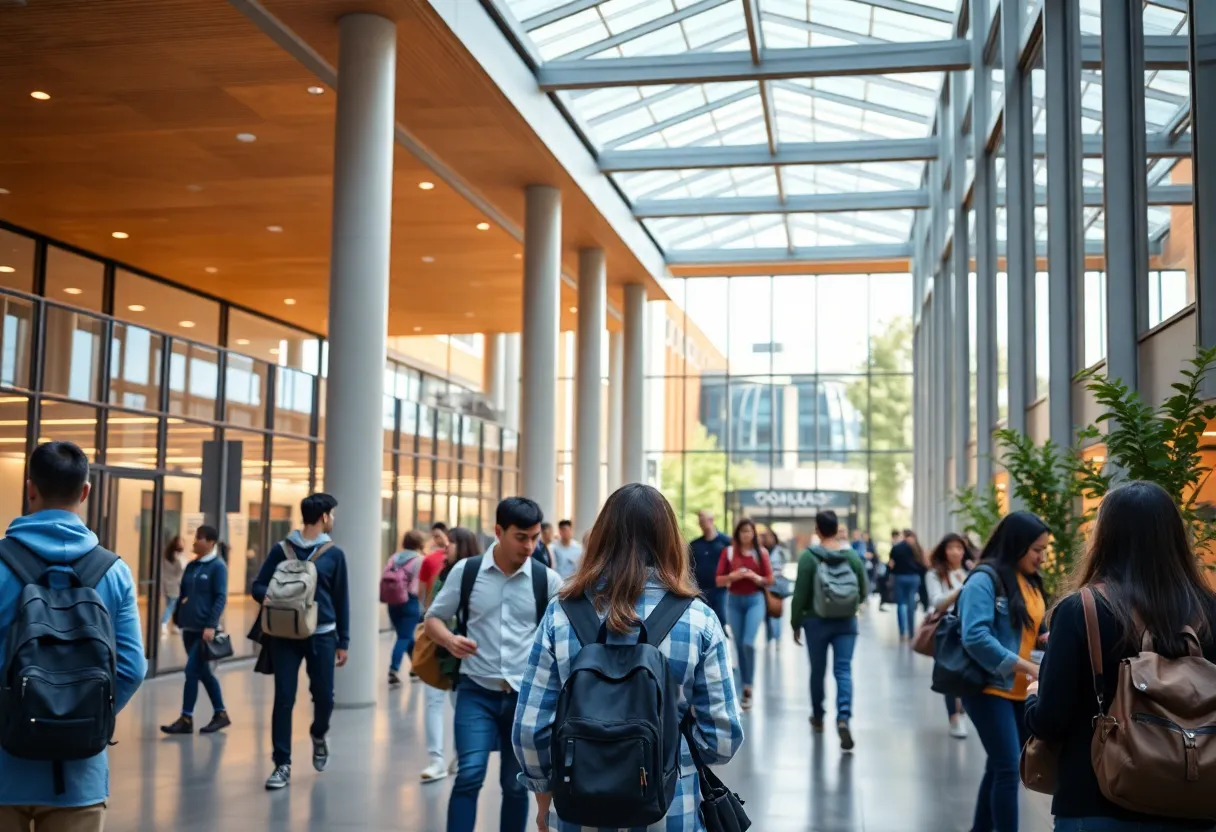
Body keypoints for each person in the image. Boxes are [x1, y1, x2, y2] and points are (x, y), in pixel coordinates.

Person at [513, 483, 745, 832]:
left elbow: (530, 730)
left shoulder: (560, 614)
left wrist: (544, 801)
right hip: (670, 814)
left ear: (602, 537)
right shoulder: (699, 620)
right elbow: (723, 739)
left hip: (578, 811)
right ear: (670, 541)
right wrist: (666, 745)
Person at [1026, 482, 1216, 831]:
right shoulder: (1208, 610)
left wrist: (1033, 696)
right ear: (1174, 535)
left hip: (1096, 803)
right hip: (1197, 799)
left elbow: (1050, 722)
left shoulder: (1081, 610)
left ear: (1105, 536)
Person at [0, 442, 145, 832]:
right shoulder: (113, 572)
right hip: (79, 774)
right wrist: (81, 714)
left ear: (30, 488)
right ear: (85, 492)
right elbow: (132, 668)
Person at [423, 498, 562, 832]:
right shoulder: (467, 572)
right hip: (476, 691)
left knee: (516, 784)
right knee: (469, 774)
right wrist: (449, 640)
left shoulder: (548, 581)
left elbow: (564, 636)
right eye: (521, 537)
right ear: (498, 532)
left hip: (523, 699)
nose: (530, 545)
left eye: (535, 537)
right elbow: (433, 619)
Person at [252, 493, 351, 791]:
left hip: (322, 634)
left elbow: (341, 598)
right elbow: (258, 584)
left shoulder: (334, 554)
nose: (333, 520)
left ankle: (319, 734)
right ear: (323, 517)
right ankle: (282, 763)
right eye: (332, 515)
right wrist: (264, 595)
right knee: (284, 698)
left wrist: (343, 640)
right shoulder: (281, 550)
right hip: (284, 634)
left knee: (325, 697)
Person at [957, 511, 1049, 832]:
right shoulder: (984, 579)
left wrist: (1046, 637)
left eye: (1044, 550)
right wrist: (1026, 666)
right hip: (987, 688)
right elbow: (975, 636)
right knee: (1009, 769)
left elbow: (1030, 629)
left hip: (1021, 690)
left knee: (999, 768)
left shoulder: (1030, 581)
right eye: (1037, 550)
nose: (1042, 557)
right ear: (1017, 545)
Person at [790, 510, 868, 750]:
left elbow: (800, 594)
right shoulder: (852, 556)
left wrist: (796, 623)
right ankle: (843, 718)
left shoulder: (808, 557)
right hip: (846, 622)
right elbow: (863, 590)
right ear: (837, 528)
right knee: (843, 670)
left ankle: (818, 717)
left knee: (818, 671)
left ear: (817, 530)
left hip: (816, 622)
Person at [419, 525, 482, 783]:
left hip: (464, 652)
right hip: (439, 649)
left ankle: (459, 755)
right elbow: (431, 609)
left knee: (461, 706)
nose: (445, 546)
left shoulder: (477, 574)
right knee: (433, 702)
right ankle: (436, 759)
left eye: (451, 542)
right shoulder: (444, 571)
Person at [161, 525, 231, 736]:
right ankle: (221, 714)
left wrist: (211, 624)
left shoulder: (218, 567)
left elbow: (220, 597)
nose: (194, 541)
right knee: (203, 673)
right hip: (189, 628)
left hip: (204, 631)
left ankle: (186, 718)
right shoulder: (192, 566)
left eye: (199, 538)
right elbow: (183, 592)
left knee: (192, 671)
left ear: (210, 542)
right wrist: (178, 615)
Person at [716, 517, 773, 710]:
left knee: (749, 642)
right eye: (743, 531)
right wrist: (733, 576)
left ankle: (749, 683)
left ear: (753, 534)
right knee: (739, 644)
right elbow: (718, 580)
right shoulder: (729, 552)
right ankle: (744, 688)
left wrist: (755, 577)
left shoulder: (760, 553)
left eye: (749, 531)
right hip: (733, 601)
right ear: (737, 534)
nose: (746, 535)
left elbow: (770, 579)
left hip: (755, 600)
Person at [925, 532, 973, 739]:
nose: (956, 552)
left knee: (967, 672)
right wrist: (962, 588)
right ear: (944, 550)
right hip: (946, 630)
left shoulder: (971, 571)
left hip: (969, 627)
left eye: (960, 548)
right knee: (949, 671)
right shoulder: (935, 574)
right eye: (951, 547)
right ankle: (953, 717)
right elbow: (937, 602)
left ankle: (962, 710)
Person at [386, 530, 426, 686]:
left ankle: (415, 668)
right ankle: (393, 670)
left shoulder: (394, 557)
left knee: (405, 635)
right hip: (410, 601)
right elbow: (421, 584)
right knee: (404, 637)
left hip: (392, 601)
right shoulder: (420, 560)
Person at [690, 510, 731, 629]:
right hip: (700, 590)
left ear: (711, 520)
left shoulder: (726, 542)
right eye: (700, 521)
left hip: (721, 590)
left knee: (720, 621)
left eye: (704, 520)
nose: (702, 524)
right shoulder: (695, 544)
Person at [889, 528, 925, 641]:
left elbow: (891, 564)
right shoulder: (917, 548)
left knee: (901, 604)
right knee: (911, 603)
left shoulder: (897, 548)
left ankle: (902, 632)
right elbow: (923, 563)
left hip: (900, 577)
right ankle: (911, 632)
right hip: (914, 577)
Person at [763, 530, 788, 645]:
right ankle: (769, 637)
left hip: (777, 586)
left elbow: (783, 567)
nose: (767, 539)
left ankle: (777, 637)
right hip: (764, 586)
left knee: (776, 611)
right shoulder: (761, 551)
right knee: (766, 613)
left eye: (769, 536)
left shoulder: (780, 551)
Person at [160, 535, 185, 636]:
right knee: (171, 606)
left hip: (166, 584)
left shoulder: (166, 555)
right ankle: (164, 623)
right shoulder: (178, 558)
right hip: (174, 585)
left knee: (171, 605)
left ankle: (174, 626)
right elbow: (181, 571)